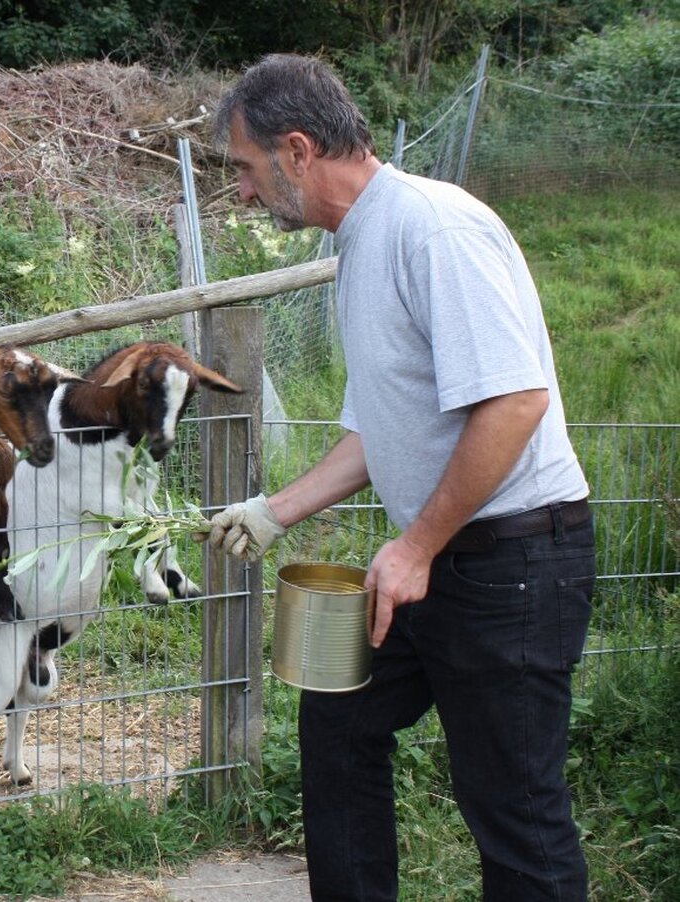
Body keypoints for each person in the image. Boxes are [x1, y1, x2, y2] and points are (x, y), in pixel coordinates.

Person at [203, 54, 596, 901]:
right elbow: (378, 429)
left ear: (297, 150)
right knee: (340, 720)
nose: (240, 192)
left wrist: (415, 546)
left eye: (243, 167)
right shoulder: (361, 243)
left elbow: (516, 403)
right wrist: (275, 511)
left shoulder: (433, 228)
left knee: (516, 811)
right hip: (441, 556)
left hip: (515, 564)